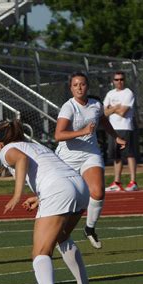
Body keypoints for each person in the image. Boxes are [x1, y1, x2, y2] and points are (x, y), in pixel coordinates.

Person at [0, 119, 95, 284]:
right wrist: (40, 198)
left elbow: (22, 159)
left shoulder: (6, 150)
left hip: (59, 189)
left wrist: (17, 195)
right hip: (79, 186)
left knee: (40, 251)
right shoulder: (34, 145)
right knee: (63, 237)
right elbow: (55, 171)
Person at [54, 72, 126, 249]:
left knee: (98, 192)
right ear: (71, 88)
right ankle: (58, 234)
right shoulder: (68, 107)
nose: (79, 87)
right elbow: (58, 135)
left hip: (90, 154)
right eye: (75, 85)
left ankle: (89, 228)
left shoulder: (95, 104)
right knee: (68, 199)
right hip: (67, 158)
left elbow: (103, 121)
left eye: (82, 84)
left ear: (87, 86)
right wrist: (83, 132)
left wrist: (116, 137)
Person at [103, 71, 138, 192]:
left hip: (125, 127)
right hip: (112, 128)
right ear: (113, 81)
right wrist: (116, 107)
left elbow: (123, 113)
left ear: (125, 80)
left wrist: (111, 108)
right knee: (116, 156)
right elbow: (104, 113)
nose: (119, 81)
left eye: (121, 79)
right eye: (116, 79)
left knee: (129, 154)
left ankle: (133, 182)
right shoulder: (110, 93)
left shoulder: (128, 93)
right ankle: (117, 182)